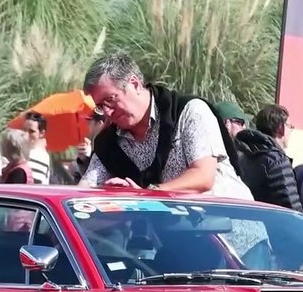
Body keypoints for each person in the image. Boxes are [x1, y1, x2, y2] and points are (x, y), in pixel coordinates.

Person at [77, 53, 250, 198]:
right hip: (176, 226)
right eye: (100, 106)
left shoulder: (190, 111)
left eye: (110, 99)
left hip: (232, 220)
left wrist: (147, 193)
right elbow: (86, 191)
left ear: (135, 84)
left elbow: (203, 177)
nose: (107, 112)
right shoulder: (108, 143)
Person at [234, 104, 301, 211]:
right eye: (290, 127)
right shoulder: (277, 160)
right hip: (269, 219)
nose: (290, 131)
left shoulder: (241, 152)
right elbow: (291, 206)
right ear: (282, 128)